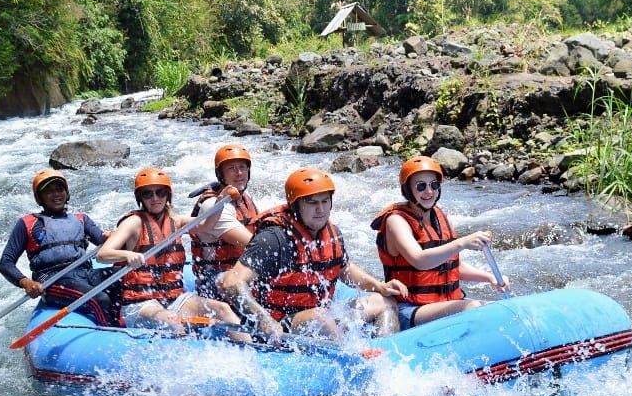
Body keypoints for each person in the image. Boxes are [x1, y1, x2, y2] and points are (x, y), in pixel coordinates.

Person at [219, 167, 407, 341]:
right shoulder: (273, 238)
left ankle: (384, 355)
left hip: (319, 316)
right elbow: (231, 282)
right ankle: (351, 358)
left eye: (325, 201)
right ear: (296, 206)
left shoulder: (332, 233)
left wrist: (378, 286)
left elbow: (344, 268)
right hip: (281, 324)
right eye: (312, 203)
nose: (321, 209)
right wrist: (263, 319)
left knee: (384, 302)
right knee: (320, 317)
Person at [97, 167, 247, 335]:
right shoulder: (134, 222)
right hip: (140, 305)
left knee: (222, 308)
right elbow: (103, 254)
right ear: (140, 198)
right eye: (148, 194)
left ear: (167, 195)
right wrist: (127, 254)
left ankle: (250, 355)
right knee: (172, 323)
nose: (155, 198)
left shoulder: (176, 221)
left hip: (172, 300)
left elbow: (207, 225)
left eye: (160, 192)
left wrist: (220, 201)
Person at [371, 155, 507, 330]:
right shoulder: (396, 221)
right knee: (473, 308)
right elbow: (419, 260)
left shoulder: (442, 218)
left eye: (434, 185)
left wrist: (490, 278)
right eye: (421, 186)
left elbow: (454, 266)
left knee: (497, 309)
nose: (429, 191)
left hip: (442, 305)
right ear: (407, 190)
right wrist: (462, 243)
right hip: (409, 309)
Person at [0, 169, 117, 326]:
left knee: (124, 279)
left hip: (85, 273)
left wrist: (115, 236)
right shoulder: (28, 223)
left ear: (67, 194)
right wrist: (26, 283)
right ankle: (114, 333)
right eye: (49, 191)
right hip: (53, 281)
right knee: (100, 299)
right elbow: (6, 262)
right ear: (39, 198)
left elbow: (106, 243)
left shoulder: (81, 219)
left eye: (60, 189)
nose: (56, 194)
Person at [189, 144, 261, 299]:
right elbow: (253, 244)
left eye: (242, 167)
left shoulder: (245, 199)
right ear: (220, 174)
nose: (239, 173)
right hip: (213, 282)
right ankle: (265, 322)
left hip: (240, 272)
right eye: (232, 169)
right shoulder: (214, 205)